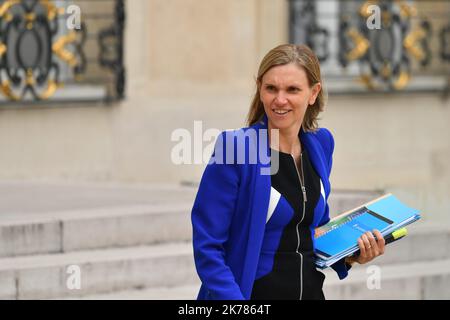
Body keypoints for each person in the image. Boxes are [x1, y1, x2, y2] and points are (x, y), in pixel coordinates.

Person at [191, 44, 385, 300]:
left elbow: (314, 228)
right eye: (271, 88)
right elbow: (208, 247)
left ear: (313, 93)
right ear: (260, 89)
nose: (279, 100)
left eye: (292, 89)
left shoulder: (321, 144)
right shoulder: (236, 149)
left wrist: (351, 255)